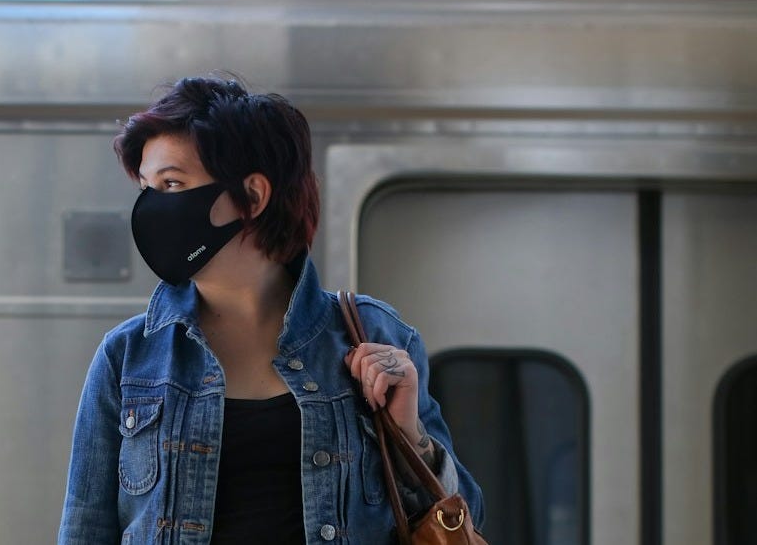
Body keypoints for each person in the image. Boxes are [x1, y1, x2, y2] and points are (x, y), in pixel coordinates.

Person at [58, 75, 483, 544]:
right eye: (147, 187)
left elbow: (462, 518)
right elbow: (85, 529)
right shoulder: (128, 357)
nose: (151, 208)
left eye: (173, 184)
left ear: (253, 197)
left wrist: (410, 435)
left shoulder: (377, 336)